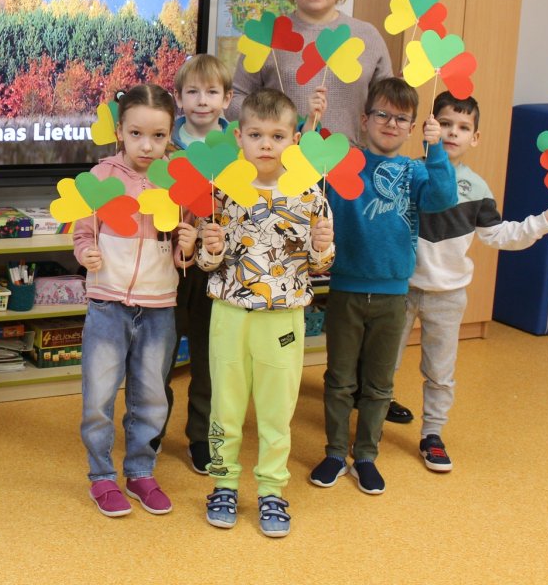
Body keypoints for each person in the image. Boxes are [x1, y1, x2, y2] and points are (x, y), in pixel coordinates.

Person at [398, 92, 548, 472]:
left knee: (440, 372)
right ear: (429, 127)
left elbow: (499, 235)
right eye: (445, 123)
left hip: (448, 295)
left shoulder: (477, 189)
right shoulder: (408, 173)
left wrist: (542, 222)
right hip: (400, 289)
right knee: (383, 362)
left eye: (463, 128)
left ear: (475, 138)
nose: (452, 132)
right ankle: (373, 419)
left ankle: (432, 434)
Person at [197, 89, 335, 537]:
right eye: (256, 134)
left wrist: (322, 246)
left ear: (294, 140)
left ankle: (272, 490)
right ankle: (223, 483)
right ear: (239, 137)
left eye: (277, 136)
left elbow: (321, 264)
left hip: (282, 319)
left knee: (277, 411)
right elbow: (205, 263)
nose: (266, 144)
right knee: (226, 406)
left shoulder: (310, 194)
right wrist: (210, 248)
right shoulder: (221, 191)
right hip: (230, 314)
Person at [310, 77, 456, 496]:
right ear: (364, 119)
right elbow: (304, 171)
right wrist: (311, 122)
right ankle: (335, 452)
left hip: (393, 295)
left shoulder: (414, 171)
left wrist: (436, 148)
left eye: (402, 119)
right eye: (382, 115)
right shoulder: (344, 163)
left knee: (378, 385)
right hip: (346, 289)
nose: (391, 124)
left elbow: (443, 198)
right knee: (340, 379)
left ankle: (366, 456)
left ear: (412, 127)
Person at [74, 84, 197, 518]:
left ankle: (141, 471)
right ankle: (101, 476)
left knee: (151, 397)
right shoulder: (101, 177)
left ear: (170, 134)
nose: (147, 146)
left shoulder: (178, 179)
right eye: (137, 134)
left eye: (159, 136)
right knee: (98, 398)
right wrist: (85, 253)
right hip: (108, 303)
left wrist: (188, 246)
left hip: (159, 306)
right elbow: (83, 233)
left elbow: (182, 251)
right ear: (120, 133)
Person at [227, 0, 393, 147]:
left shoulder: (367, 36)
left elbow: (388, 105)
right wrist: (271, 121)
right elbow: (234, 100)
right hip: (282, 160)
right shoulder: (266, 36)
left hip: (353, 160)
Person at [157, 54, 233, 474]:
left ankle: (201, 436)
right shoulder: (166, 145)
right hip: (169, 266)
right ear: (179, 98)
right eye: (193, 92)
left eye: (211, 92)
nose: (202, 100)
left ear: (227, 99)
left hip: (216, 269)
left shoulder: (238, 146)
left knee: (208, 358)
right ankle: (151, 429)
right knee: (160, 355)